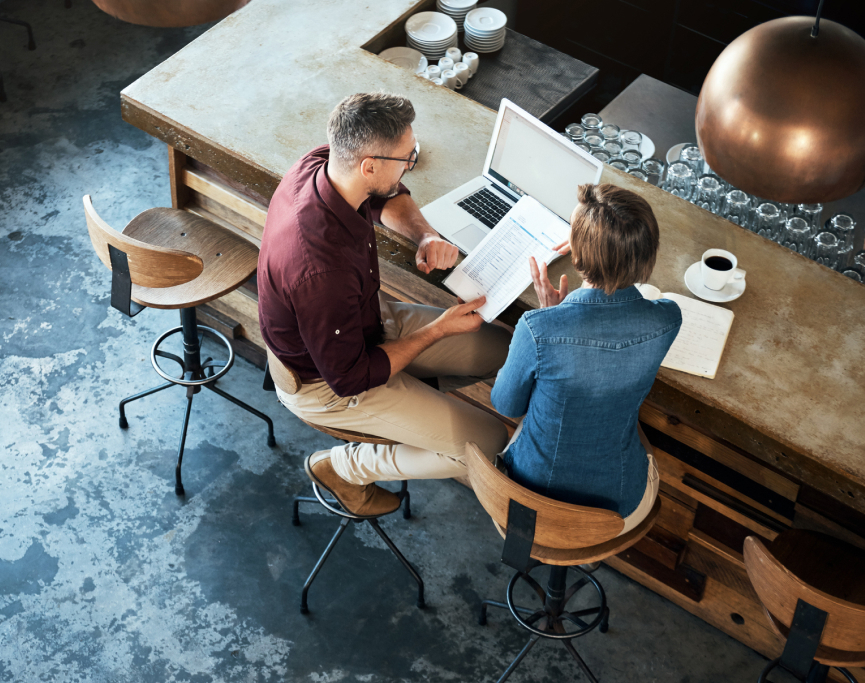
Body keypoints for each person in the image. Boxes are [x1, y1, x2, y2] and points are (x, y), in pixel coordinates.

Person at [258, 92, 511, 517]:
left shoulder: (324, 163)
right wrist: (437, 331)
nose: (411, 164)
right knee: (488, 443)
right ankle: (343, 468)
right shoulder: (321, 270)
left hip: (364, 323)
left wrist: (426, 235)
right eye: (405, 158)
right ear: (369, 164)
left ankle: (411, 398)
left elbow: (384, 195)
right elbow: (350, 377)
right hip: (327, 382)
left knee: (501, 350)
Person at [490, 183, 682, 534]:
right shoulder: (668, 319)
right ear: (648, 255)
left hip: (531, 502)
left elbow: (506, 405)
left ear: (577, 256)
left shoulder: (537, 329)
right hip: (614, 512)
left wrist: (554, 317)